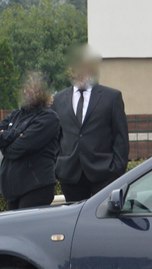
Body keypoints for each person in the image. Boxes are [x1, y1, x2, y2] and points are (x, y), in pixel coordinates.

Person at [53, 45, 130, 202]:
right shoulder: (58, 100)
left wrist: (116, 170)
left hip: (105, 176)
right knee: (76, 225)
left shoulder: (111, 97)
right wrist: (58, 167)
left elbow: (121, 137)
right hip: (70, 177)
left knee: (104, 225)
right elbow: (54, 138)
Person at [0, 73, 61, 210]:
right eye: (24, 91)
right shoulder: (15, 115)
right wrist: (15, 134)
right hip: (13, 192)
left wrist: (4, 146)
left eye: (30, 92)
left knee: (26, 231)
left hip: (35, 188)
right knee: (14, 230)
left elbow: (19, 148)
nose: (26, 94)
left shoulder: (48, 118)